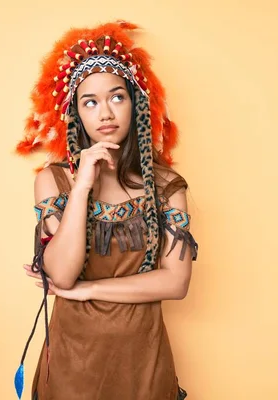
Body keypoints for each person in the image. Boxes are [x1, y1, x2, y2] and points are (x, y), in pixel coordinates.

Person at [13, 20, 198, 400]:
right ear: (75, 113)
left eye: (117, 97)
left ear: (136, 103)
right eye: (90, 102)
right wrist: (81, 186)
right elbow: (62, 276)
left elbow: (175, 282)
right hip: (71, 362)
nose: (106, 113)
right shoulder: (54, 182)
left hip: (142, 361)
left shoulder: (165, 187)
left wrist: (90, 290)